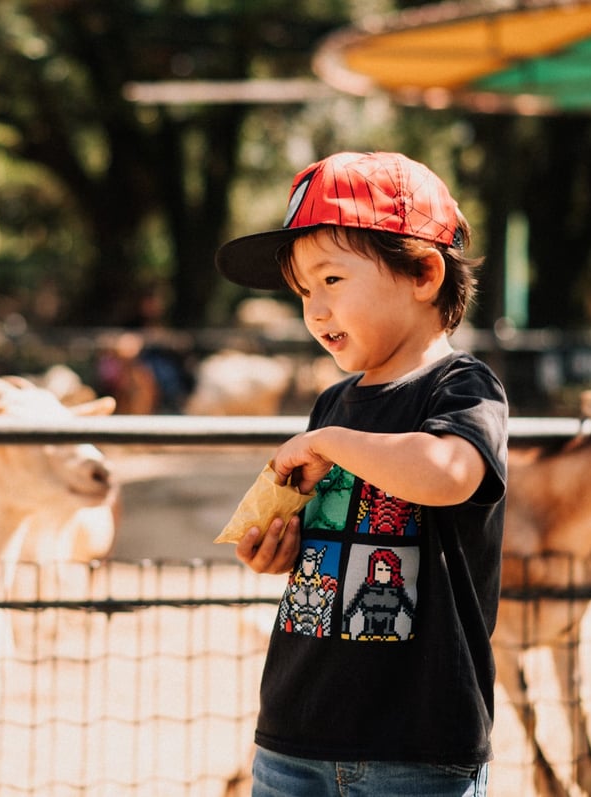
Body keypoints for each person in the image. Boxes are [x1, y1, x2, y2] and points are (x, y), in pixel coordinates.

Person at [214, 151, 508, 797]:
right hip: (294, 732)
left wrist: (333, 440)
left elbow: (449, 472)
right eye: (303, 291)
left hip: (417, 748)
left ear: (424, 273)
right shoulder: (333, 402)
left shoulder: (462, 387)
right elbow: (327, 538)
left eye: (332, 279)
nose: (315, 310)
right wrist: (280, 550)